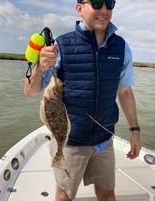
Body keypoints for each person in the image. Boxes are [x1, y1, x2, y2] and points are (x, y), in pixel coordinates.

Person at [24, 0, 141, 200]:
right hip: (69, 142)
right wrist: (41, 67)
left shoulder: (121, 47)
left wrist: (135, 131)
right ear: (79, 9)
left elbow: (125, 92)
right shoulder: (60, 45)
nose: (104, 9)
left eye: (110, 3)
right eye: (96, 3)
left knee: (107, 193)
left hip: (104, 140)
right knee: (64, 195)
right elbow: (30, 91)